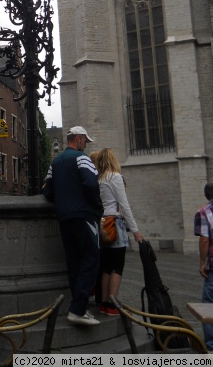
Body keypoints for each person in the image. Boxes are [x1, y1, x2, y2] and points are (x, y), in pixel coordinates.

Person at [43, 126, 103, 326]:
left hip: (64, 217)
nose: (86, 145)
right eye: (85, 141)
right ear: (78, 139)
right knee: (91, 260)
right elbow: (91, 184)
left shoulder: (55, 162)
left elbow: (48, 192)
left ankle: (79, 307)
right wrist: (97, 208)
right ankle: (78, 309)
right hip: (85, 216)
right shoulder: (82, 158)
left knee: (74, 263)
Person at [94, 147, 144, 316]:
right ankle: (113, 304)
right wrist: (135, 230)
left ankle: (104, 303)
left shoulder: (99, 179)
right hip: (114, 224)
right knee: (117, 267)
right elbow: (124, 204)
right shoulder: (114, 177)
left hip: (103, 224)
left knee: (107, 267)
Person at [194, 182, 213, 351]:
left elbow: (204, 239)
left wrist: (202, 263)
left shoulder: (204, 212)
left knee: (208, 307)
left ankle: (211, 348)